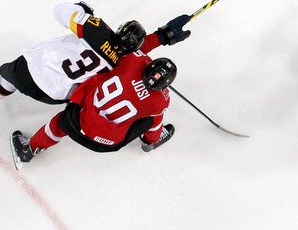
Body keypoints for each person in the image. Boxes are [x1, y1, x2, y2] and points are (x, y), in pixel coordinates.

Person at [0, 1, 191, 110]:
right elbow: (137, 52)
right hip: (53, 96)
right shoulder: (122, 63)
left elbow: (59, 11)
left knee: (8, 75)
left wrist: (81, 8)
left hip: (30, 71)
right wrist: (163, 36)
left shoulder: (96, 29)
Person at [10, 53, 178, 169]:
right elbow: (154, 122)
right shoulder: (161, 100)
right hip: (107, 143)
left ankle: (30, 149)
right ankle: (150, 144)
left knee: (59, 123)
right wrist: (152, 138)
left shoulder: (133, 61)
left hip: (78, 122)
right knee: (152, 119)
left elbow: (131, 51)